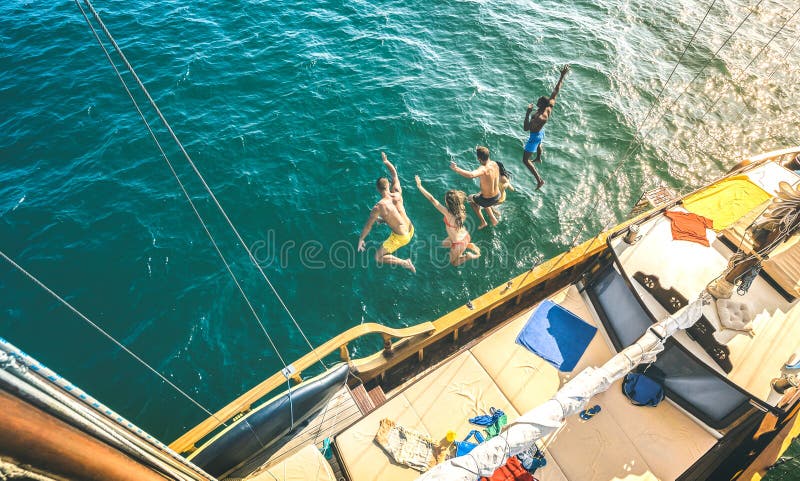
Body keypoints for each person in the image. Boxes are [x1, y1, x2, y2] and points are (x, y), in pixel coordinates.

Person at [357, 152, 416, 273]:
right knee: (388, 218)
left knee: (378, 257)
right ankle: (384, 220)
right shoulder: (397, 192)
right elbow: (394, 174)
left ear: (378, 189)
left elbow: (368, 226)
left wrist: (361, 239)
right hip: (410, 228)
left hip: (402, 237)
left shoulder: (378, 207)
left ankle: (405, 262)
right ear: (388, 185)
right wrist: (386, 161)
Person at [415, 175, 481, 266]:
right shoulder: (461, 209)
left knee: (453, 263)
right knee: (443, 244)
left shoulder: (448, 213)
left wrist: (419, 186)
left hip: (458, 243)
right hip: (465, 235)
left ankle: (469, 256)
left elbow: (432, 199)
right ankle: (468, 245)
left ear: (448, 204)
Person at [522, 64, 570, 189]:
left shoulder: (539, 118)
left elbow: (526, 128)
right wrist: (562, 76)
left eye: (538, 102)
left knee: (525, 160)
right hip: (540, 132)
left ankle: (539, 180)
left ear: (541, 105)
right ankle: (538, 157)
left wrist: (528, 112)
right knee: (539, 143)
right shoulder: (549, 106)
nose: (537, 103)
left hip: (534, 135)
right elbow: (556, 90)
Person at [450, 146, 501, 229]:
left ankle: (483, 222)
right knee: (481, 195)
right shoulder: (494, 164)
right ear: (488, 156)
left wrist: (456, 169)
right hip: (498, 195)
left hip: (489, 199)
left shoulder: (483, 169)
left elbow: (471, 175)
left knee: (470, 199)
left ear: (479, 159)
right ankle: (494, 217)